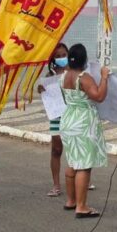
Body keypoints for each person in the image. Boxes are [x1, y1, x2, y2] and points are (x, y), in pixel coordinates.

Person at [60, 44, 109, 218]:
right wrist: (104, 78)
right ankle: (81, 206)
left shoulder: (64, 76)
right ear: (84, 60)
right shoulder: (84, 77)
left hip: (68, 120)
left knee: (72, 161)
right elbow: (99, 97)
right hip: (83, 123)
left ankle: (71, 200)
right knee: (84, 165)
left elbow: (66, 99)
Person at [38, 43, 69, 197]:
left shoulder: (74, 72)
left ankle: (82, 179)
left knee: (76, 148)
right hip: (56, 115)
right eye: (58, 56)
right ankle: (56, 185)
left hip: (73, 116)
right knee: (56, 149)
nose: (62, 58)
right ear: (52, 59)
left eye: (64, 55)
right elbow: (44, 92)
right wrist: (41, 89)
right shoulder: (49, 77)